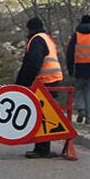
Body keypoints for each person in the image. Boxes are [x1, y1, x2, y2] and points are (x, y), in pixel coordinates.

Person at [15, 16, 63, 159]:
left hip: (44, 81)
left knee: (41, 114)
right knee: (45, 114)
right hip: (53, 79)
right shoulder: (46, 38)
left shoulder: (36, 40)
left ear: (29, 28)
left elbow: (33, 64)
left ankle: (42, 149)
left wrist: (22, 84)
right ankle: (43, 148)